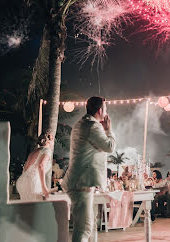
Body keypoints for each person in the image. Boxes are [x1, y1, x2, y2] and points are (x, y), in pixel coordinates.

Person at [61, 96, 116, 242]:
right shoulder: (93, 126)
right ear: (100, 110)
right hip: (81, 183)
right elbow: (109, 147)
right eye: (105, 110)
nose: (106, 113)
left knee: (84, 225)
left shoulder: (82, 123)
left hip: (78, 181)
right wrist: (109, 130)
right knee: (84, 227)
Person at [16, 132, 54, 201]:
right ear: (49, 141)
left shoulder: (33, 152)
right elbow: (41, 166)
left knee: (26, 209)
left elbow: (25, 168)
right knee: (35, 209)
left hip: (21, 181)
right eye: (53, 140)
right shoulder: (47, 151)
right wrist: (44, 187)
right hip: (32, 183)